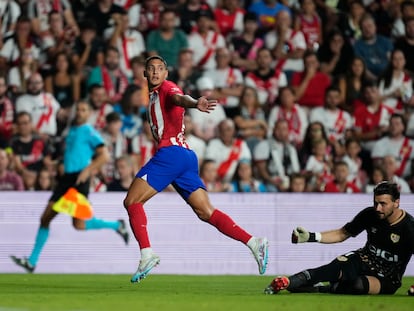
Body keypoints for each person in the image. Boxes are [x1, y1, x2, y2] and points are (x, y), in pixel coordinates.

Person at [123, 55, 269, 283]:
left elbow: (179, 98)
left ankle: (146, 253)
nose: (155, 72)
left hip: (171, 153)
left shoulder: (167, 89)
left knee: (132, 202)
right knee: (206, 212)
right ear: (144, 73)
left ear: (166, 73)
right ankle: (254, 242)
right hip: (186, 157)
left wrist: (195, 103)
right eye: (150, 69)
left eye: (160, 68)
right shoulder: (152, 95)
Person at [10, 101, 129, 273]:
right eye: (77, 109)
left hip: (79, 180)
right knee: (46, 219)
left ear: (89, 114)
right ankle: (32, 261)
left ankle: (117, 226)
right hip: (66, 179)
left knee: (79, 225)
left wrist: (88, 170)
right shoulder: (71, 131)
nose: (79, 112)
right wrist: (55, 163)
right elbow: (73, 154)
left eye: (83, 110)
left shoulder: (89, 131)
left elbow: (104, 156)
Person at [264, 181, 414, 295]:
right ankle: (286, 282)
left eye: (383, 204)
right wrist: (310, 237)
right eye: (375, 203)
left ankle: (321, 289)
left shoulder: (410, 228)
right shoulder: (370, 214)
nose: (378, 208)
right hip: (364, 259)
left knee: (356, 286)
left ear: (397, 202)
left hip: (388, 278)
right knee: (331, 270)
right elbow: (342, 233)